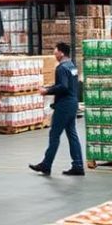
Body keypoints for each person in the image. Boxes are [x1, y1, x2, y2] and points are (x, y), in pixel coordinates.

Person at [29, 42, 85, 177]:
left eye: (55, 50)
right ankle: (78, 165)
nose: (54, 52)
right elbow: (66, 84)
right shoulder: (72, 66)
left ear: (61, 52)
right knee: (72, 134)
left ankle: (46, 165)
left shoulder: (61, 68)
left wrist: (47, 91)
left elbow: (63, 87)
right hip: (72, 103)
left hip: (64, 106)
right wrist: (51, 86)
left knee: (54, 135)